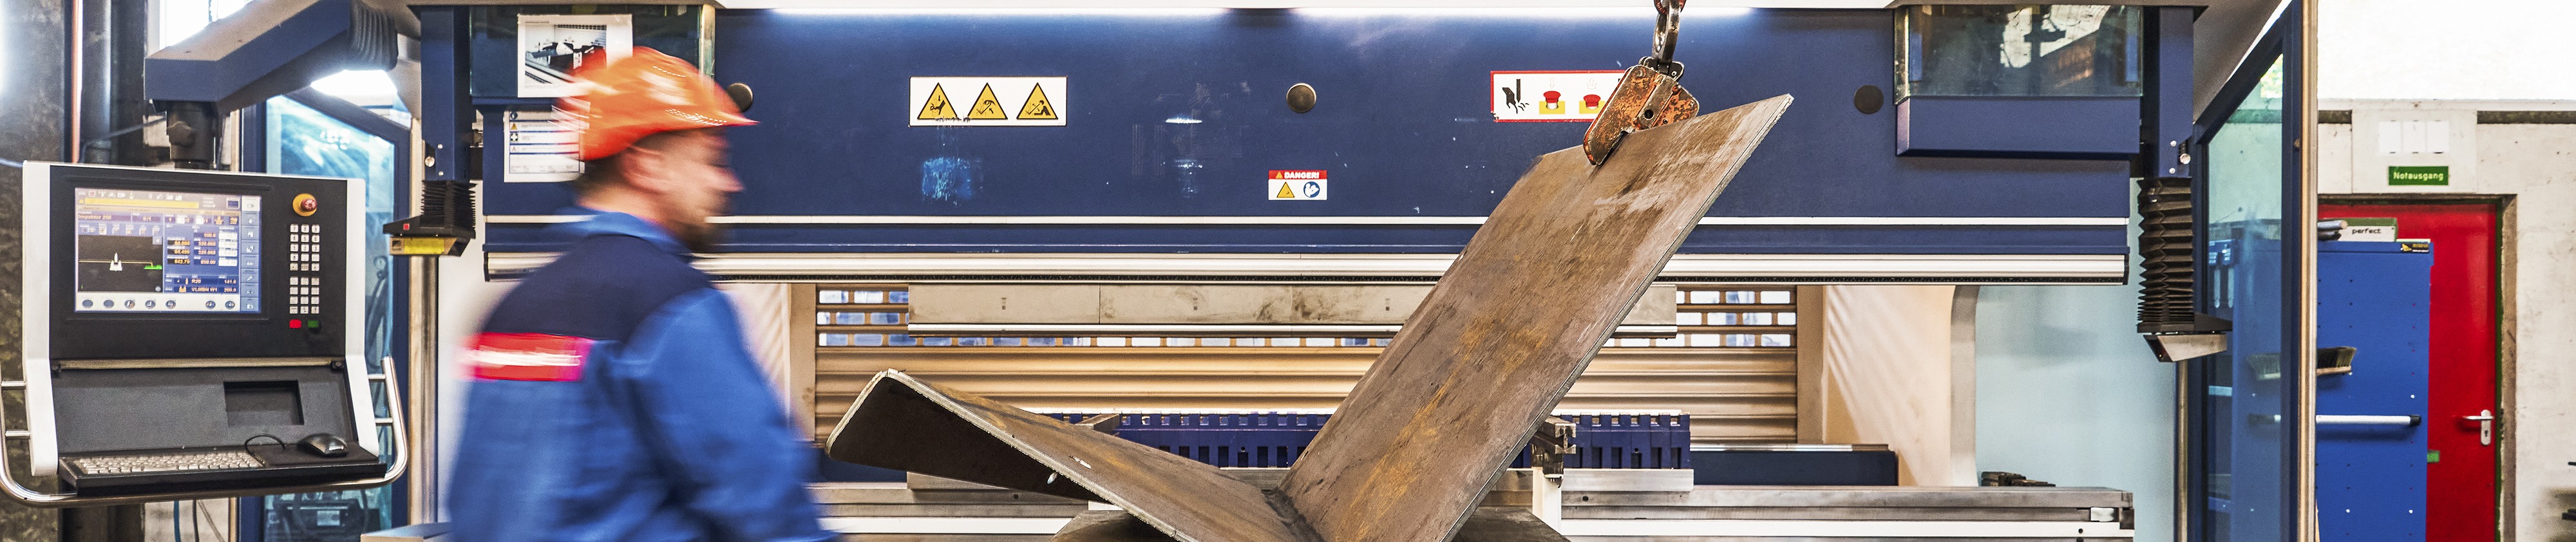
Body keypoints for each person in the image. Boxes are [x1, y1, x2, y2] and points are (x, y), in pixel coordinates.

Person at [448, 48, 831, 542]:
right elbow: (764, 497)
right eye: (712, 161)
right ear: (647, 167)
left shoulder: (510, 309)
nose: (728, 183)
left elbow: (480, 504)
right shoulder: (668, 303)